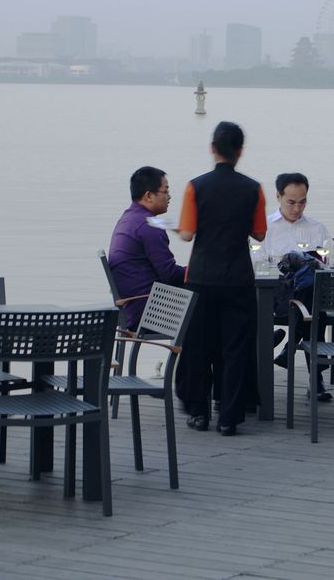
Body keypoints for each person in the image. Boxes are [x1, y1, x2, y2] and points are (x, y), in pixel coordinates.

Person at [175, 121, 267, 436]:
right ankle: (229, 417)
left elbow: (187, 234)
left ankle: (199, 413)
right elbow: (259, 233)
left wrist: (175, 227)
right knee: (236, 347)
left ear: (212, 148)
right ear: (240, 151)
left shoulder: (195, 187)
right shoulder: (253, 188)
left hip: (201, 276)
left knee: (199, 346)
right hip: (238, 276)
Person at [263, 172, 333, 401]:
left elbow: (329, 264)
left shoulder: (317, 228)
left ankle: (290, 345)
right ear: (278, 197)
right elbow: (257, 266)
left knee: (313, 292)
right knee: (315, 306)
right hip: (278, 296)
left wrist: (333, 258)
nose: (297, 208)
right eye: (291, 202)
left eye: (302, 202)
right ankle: (316, 379)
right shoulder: (265, 228)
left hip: (309, 297)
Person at [108, 166, 186, 329]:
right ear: (149, 196)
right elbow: (170, 275)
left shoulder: (129, 218)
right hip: (149, 312)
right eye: (165, 191)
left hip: (130, 308)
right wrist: (200, 270)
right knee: (211, 302)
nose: (170, 197)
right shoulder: (148, 224)